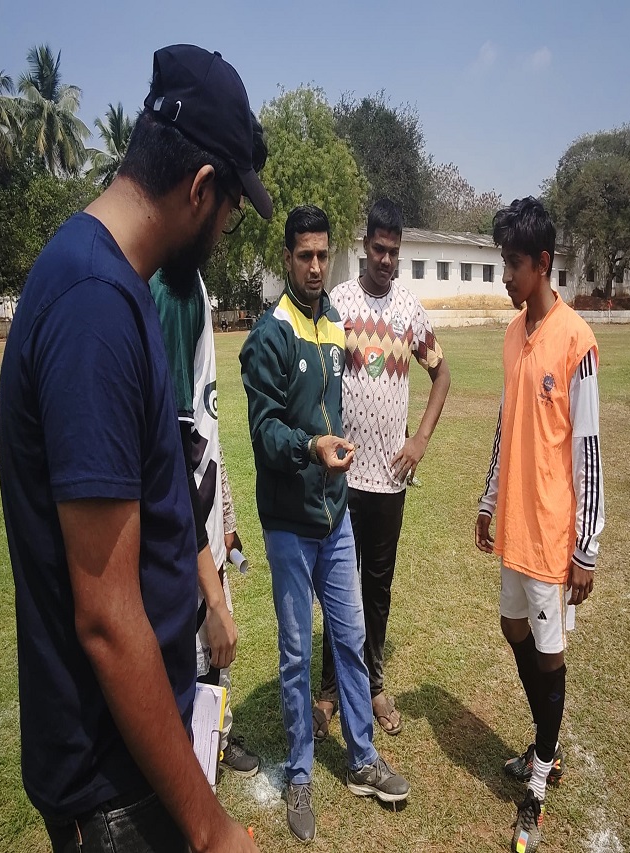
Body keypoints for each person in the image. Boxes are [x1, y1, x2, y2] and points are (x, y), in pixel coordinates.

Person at [0, 44, 270, 853]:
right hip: (112, 785)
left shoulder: (111, 284)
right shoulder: (94, 306)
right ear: (200, 188)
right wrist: (210, 826)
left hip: (131, 761)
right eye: (230, 212)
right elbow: (108, 618)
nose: (223, 233)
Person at [240, 205, 410, 842]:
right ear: (287, 259)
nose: (315, 267)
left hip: (335, 517)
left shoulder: (336, 325)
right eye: (304, 256)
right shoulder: (270, 334)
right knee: (295, 653)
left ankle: (362, 758)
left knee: (350, 637)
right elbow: (264, 434)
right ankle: (301, 772)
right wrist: (312, 447)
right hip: (289, 523)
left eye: (322, 255)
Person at [475, 197, 604, 853]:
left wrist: (586, 546)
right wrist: (489, 498)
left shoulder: (576, 340)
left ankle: (539, 783)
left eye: (514, 264)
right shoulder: (510, 334)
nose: (506, 275)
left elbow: (588, 448)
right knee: (512, 627)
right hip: (515, 524)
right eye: (504, 262)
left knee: (550, 653)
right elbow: (506, 424)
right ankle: (544, 745)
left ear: (543, 263)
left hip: (553, 533)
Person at [318, 198, 450, 738]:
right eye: (378, 249)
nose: (386, 260)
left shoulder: (409, 311)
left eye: (394, 251)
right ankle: (329, 690)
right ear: (365, 245)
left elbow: (442, 376)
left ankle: (372, 684)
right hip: (342, 477)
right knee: (336, 586)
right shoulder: (338, 304)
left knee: (377, 588)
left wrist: (420, 439)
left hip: (390, 481)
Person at [150, 268, 260, 778]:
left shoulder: (190, 280)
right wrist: (212, 593)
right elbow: (178, 454)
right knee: (199, 647)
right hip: (184, 537)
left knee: (217, 649)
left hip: (205, 523)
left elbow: (206, 440)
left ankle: (215, 736)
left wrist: (227, 518)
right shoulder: (173, 288)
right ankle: (192, 752)